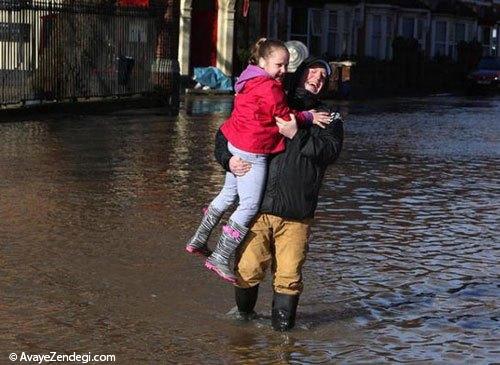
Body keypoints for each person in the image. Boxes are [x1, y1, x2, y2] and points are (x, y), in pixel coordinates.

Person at [185, 39, 331, 284]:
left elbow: (327, 152)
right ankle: (220, 255)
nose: (283, 71)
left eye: (323, 76)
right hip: (253, 151)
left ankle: (198, 239)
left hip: (239, 144)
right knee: (248, 206)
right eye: (279, 65)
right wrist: (307, 117)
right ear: (263, 62)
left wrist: (230, 156)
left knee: (227, 195)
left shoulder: (247, 80)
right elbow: (284, 118)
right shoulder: (272, 89)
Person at [214, 56, 344, 331]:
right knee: (247, 272)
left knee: (289, 277)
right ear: (300, 74)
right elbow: (226, 133)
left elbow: (328, 153)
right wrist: (227, 159)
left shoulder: (330, 117)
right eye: (313, 72)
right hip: (258, 207)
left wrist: (297, 133)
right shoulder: (273, 98)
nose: (317, 79)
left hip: (297, 213)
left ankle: (283, 339)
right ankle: (243, 326)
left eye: (323, 77)